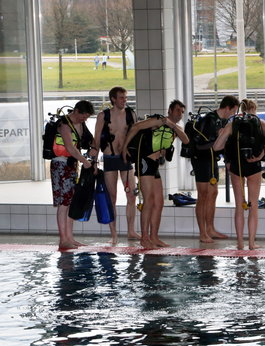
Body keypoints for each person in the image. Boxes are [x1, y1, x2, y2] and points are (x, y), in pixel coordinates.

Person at [122, 100, 189, 248]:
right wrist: (124, 147)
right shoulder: (158, 120)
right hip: (145, 161)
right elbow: (136, 126)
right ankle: (144, 238)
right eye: (178, 110)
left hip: (154, 166)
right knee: (149, 201)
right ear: (170, 110)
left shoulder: (174, 127)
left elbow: (186, 140)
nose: (180, 114)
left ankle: (154, 237)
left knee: (158, 202)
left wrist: (172, 125)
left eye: (182, 112)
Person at [213, 99, 265, 250]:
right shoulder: (260, 123)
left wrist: (228, 150)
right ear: (254, 109)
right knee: (253, 206)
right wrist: (261, 156)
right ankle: (252, 244)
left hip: (237, 167)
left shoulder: (232, 124)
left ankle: (240, 243)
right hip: (254, 165)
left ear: (241, 110)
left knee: (240, 206)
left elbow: (216, 147)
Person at [92, 87, 140, 244]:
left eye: (125, 97)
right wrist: (93, 161)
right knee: (111, 198)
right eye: (121, 98)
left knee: (132, 196)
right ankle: (114, 235)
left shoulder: (130, 114)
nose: (124, 100)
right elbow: (97, 140)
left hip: (126, 159)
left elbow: (136, 135)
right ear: (113, 99)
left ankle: (131, 231)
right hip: (110, 158)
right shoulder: (103, 116)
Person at [191, 95, 240, 243]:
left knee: (213, 193)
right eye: (233, 111)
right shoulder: (208, 119)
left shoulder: (223, 121)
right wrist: (216, 139)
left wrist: (227, 159)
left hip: (212, 159)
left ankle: (210, 228)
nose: (233, 114)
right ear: (227, 108)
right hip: (200, 159)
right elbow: (199, 144)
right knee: (203, 195)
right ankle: (202, 232)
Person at [50, 100, 95, 249]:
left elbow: (90, 141)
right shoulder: (64, 124)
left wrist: (93, 157)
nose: (85, 119)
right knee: (64, 203)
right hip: (60, 165)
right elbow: (69, 147)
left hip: (72, 165)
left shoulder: (80, 124)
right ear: (76, 111)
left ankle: (70, 238)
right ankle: (63, 240)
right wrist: (85, 161)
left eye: (87, 117)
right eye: (83, 116)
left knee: (70, 202)